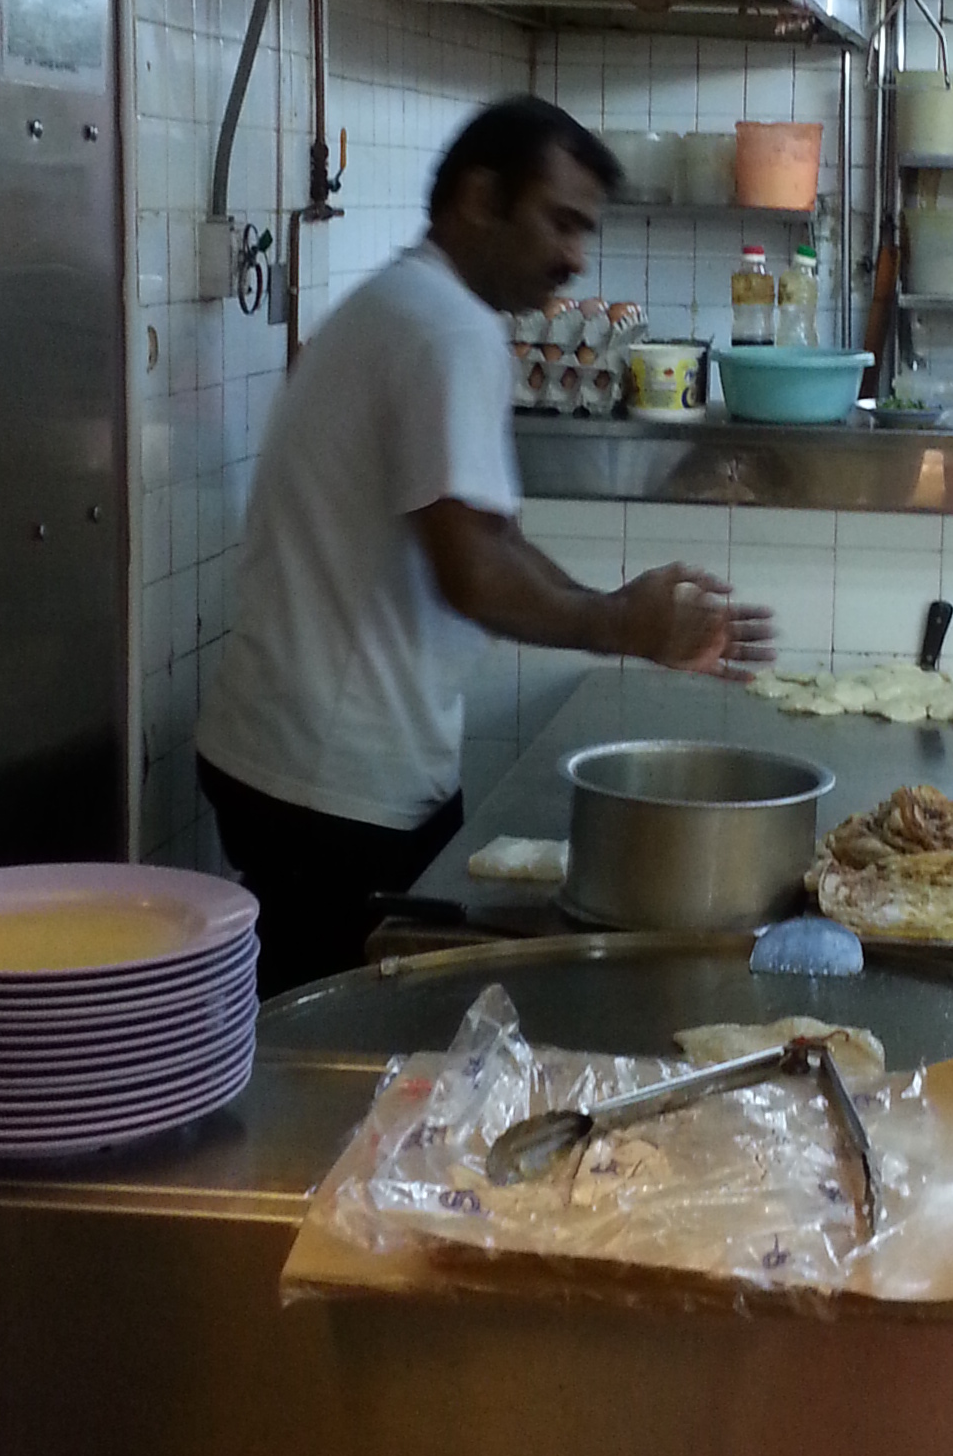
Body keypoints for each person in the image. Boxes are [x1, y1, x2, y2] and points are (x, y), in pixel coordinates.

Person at [195, 95, 773, 990]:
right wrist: (621, 625)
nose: (576, 258)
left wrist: (621, 613)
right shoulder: (445, 328)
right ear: (479, 198)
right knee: (353, 1033)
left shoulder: (405, 304)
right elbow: (473, 572)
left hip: (296, 760)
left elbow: (492, 536)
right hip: (333, 784)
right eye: (559, 222)